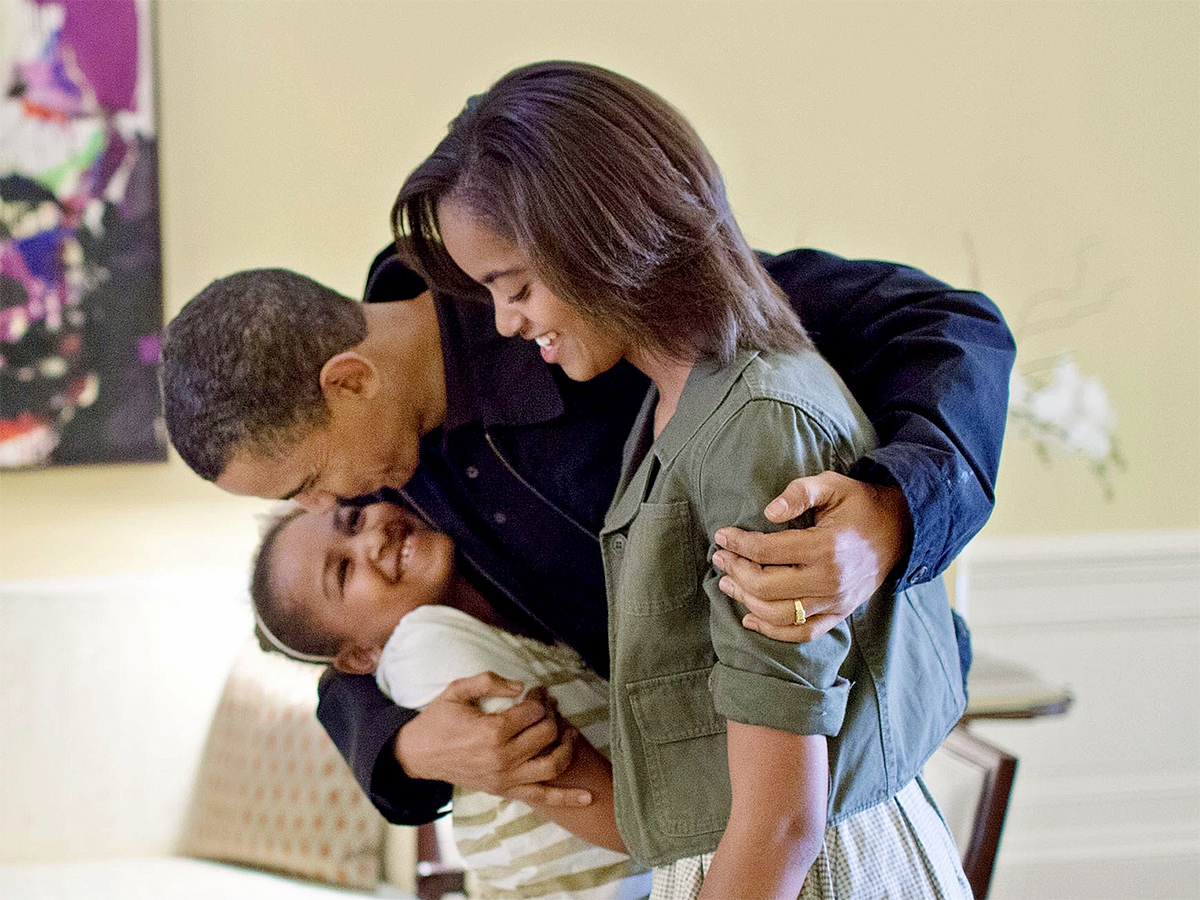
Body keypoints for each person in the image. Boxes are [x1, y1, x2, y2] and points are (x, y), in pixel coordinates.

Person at [160, 124, 1013, 831]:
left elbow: (949, 327)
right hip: (706, 798)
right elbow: (334, 645)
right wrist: (408, 748)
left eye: (305, 481)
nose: (327, 507)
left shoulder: (581, 298)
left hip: (846, 756)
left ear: (350, 381)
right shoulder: (387, 485)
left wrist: (895, 513)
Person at [393, 60, 973, 899]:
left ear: (599, 237)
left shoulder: (754, 425)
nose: (505, 322)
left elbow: (781, 825)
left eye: (515, 287)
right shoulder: (676, 403)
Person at [251, 499, 652, 900]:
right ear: (360, 657)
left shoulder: (466, 631)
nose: (372, 539)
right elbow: (632, 825)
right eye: (343, 571)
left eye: (354, 520)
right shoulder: (422, 645)